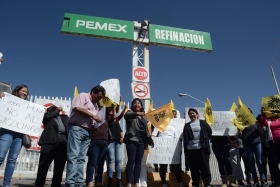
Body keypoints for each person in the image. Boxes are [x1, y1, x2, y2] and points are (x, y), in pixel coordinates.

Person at [65, 85, 105, 187]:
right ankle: (70, 182)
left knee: (81, 158)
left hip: (88, 131)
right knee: (73, 155)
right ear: (93, 92)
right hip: (77, 128)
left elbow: (93, 119)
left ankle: (78, 182)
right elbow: (77, 108)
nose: (99, 99)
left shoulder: (96, 106)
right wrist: (93, 116)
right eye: (98, 97)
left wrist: (94, 125)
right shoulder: (83, 96)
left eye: (101, 98)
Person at [0, 84, 29, 187]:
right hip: (7, 131)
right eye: (23, 91)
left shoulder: (28, 105)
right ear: (17, 91)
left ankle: (6, 185)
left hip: (19, 135)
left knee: (12, 160)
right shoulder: (7, 99)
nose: (25, 93)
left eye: (26, 92)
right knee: (0, 156)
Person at [35, 105, 69, 187]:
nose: (55, 110)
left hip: (62, 142)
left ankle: (56, 184)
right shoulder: (47, 117)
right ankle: (39, 183)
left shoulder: (64, 117)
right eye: (53, 109)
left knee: (59, 166)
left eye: (56, 109)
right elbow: (45, 118)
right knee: (44, 164)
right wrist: (55, 111)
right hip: (49, 142)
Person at [124, 98, 154, 187]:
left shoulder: (144, 118)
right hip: (132, 140)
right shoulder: (130, 113)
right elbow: (126, 116)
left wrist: (150, 140)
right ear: (132, 106)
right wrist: (137, 113)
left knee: (138, 162)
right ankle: (128, 183)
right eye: (135, 103)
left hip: (141, 142)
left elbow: (146, 131)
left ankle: (137, 182)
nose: (137, 105)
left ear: (141, 105)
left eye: (138, 103)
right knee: (131, 161)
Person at [183, 108, 212, 187]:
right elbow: (185, 137)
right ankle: (195, 184)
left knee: (204, 167)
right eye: (190, 114)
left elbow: (210, 132)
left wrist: (204, 140)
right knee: (194, 168)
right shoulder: (187, 125)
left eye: (193, 113)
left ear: (197, 114)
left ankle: (207, 183)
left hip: (202, 149)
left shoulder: (203, 123)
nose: (192, 115)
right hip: (191, 150)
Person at [239, 109, 267, 187]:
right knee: (251, 162)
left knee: (259, 161)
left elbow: (262, 133)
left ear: (251, 113)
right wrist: (239, 129)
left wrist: (258, 126)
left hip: (257, 143)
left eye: (249, 112)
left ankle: (263, 180)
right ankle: (255, 181)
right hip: (247, 145)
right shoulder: (242, 123)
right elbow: (240, 135)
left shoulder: (256, 121)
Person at [152, 123, 184, 187]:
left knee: (176, 166)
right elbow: (153, 135)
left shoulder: (173, 128)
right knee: (163, 167)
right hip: (162, 150)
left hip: (172, 149)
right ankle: (163, 183)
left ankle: (179, 182)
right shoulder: (158, 126)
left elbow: (177, 137)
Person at [106, 104, 127, 187]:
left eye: (113, 109)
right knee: (111, 161)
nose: (113, 111)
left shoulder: (116, 120)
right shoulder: (107, 119)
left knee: (118, 161)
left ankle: (119, 181)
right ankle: (109, 180)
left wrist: (121, 136)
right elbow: (117, 115)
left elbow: (119, 128)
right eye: (111, 109)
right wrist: (116, 107)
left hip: (118, 142)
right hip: (110, 142)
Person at [261, 109, 280, 187]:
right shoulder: (268, 121)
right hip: (273, 143)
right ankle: (278, 181)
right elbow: (263, 122)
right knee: (274, 163)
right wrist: (263, 113)